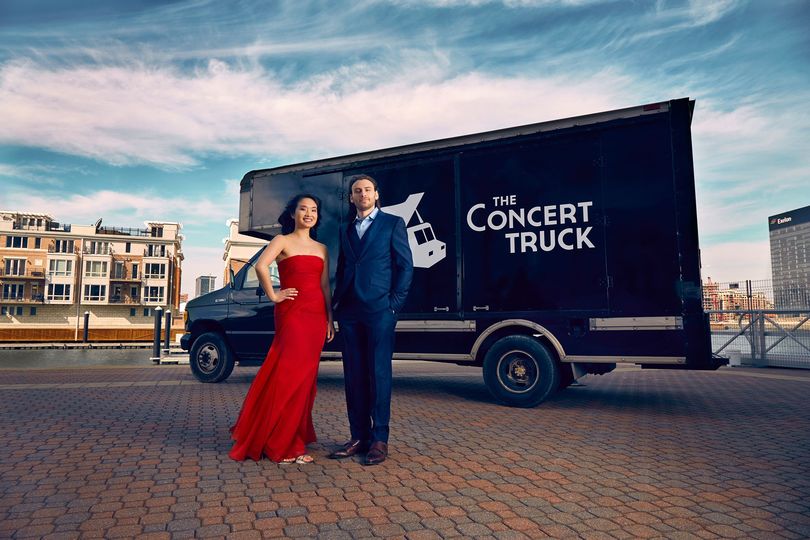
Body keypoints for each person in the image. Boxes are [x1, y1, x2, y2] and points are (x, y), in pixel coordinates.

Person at [229, 194, 335, 464]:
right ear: (293, 214)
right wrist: (274, 295)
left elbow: (324, 286)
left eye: (313, 210)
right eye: (303, 209)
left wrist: (330, 318)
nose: (308, 214)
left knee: (306, 380)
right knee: (288, 375)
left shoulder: (322, 248)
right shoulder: (281, 241)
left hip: (316, 316)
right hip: (292, 313)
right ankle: (282, 444)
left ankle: (292, 436)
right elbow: (262, 266)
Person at [329, 174, 413, 465]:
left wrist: (394, 305)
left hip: (380, 311)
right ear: (351, 198)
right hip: (350, 311)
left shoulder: (392, 224)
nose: (362, 194)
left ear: (376, 194)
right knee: (353, 375)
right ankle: (358, 436)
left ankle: (379, 439)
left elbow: (405, 266)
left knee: (379, 374)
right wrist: (337, 305)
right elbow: (342, 269)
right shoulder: (345, 229)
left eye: (367, 190)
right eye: (356, 191)